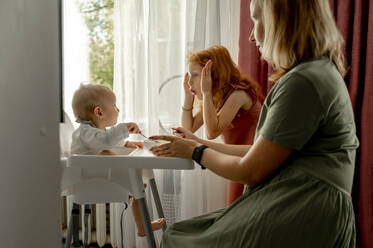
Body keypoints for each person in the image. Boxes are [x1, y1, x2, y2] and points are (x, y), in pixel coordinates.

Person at [150, 0, 359, 247]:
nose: (251, 36)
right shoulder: (316, 73)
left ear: (280, 23)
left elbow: (250, 170)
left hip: (303, 205)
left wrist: (195, 150)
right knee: (184, 232)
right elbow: (259, 153)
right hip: (304, 200)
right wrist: (196, 141)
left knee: (179, 237)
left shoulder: (301, 82)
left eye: (256, 21)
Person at [70, 83, 166, 237]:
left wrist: (125, 143)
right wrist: (124, 128)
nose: (118, 109)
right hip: (89, 181)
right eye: (114, 105)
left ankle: (142, 224)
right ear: (99, 112)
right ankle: (142, 225)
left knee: (137, 185)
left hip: (99, 175)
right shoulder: (85, 132)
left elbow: (103, 140)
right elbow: (104, 141)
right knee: (136, 186)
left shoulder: (93, 133)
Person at [182, 45, 263, 205]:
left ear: (212, 75)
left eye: (195, 75)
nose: (190, 81)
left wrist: (205, 93)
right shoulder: (217, 97)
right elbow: (187, 129)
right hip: (238, 159)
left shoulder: (238, 95)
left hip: (252, 161)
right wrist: (187, 98)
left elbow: (211, 132)